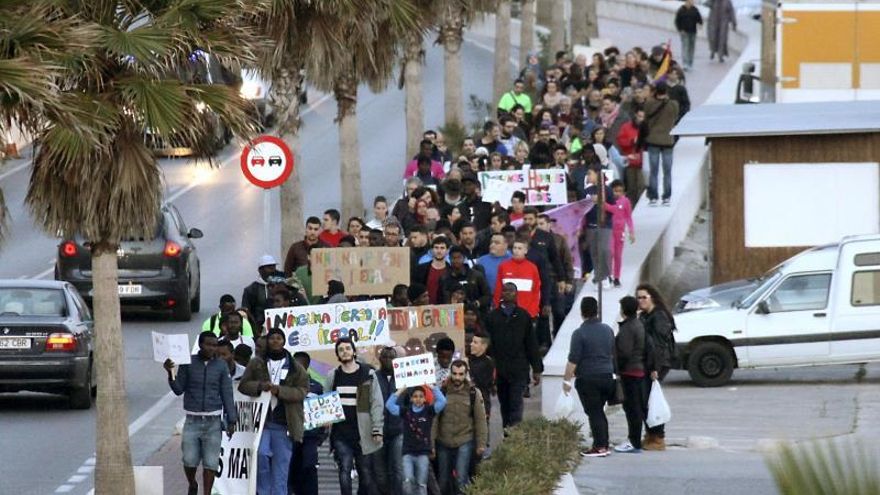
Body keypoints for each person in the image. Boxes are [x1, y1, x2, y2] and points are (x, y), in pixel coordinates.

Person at [164, 331, 238, 495]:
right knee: (189, 460)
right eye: (208, 344)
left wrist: (231, 419)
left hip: (213, 421)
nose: (212, 348)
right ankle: (192, 483)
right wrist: (170, 373)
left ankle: (207, 493)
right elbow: (178, 389)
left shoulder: (221, 365)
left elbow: (227, 393)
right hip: (192, 420)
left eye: (214, 345)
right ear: (200, 345)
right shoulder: (188, 363)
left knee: (211, 463)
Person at [238, 327, 309, 495]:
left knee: (281, 465)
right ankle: (263, 491)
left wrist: (280, 391)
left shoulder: (295, 367)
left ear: (284, 342)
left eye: (279, 338)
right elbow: (243, 385)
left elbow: (302, 391)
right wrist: (259, 386)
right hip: (262, 422)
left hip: (284, 423)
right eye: (272, 338)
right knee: (260, 455)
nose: (275, 341)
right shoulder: (257, 362)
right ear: (267, 341)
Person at [327, 338, 385, 495]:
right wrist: (325, 421)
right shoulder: (333, 375)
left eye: (347, 348)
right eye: (341, 349)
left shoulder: (368, 374)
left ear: (354, 351)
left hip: (363, 432)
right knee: (344, 470)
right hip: (341, 432)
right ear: (337, 354)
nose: (344, 351)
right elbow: (326, 402)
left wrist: (377, 429)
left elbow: (376, 403)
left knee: (365, 473)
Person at [562, 297, 615, 458]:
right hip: (607, 376)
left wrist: (566, 380)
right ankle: (603, 442)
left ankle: (600, 446)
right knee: (599, 411)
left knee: (594, 412)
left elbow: (573, 360)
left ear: (582, 312)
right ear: (597, 310)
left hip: (588, 378)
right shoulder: (607, 330)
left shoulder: (579, 333)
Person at [485, 283, 543, 430]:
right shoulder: (492, 317)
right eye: (505, 290)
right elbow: (487, 345)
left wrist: (536, 368)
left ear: (516, 294)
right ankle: (507, 433)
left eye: (511, 291)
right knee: (504, 405)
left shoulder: (523, 316)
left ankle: (515, 434)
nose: (508, 293)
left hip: (519, 369)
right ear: (501, 293)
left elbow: (531, 344)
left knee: (516, 404)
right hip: (500, 369)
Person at [434, 360, 488, 494]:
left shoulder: (474, 393)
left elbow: (480, 420)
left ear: (466, 374)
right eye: (454, 374)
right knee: (443, 481)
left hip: (464, 440)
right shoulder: (442, 392)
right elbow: (434, 420)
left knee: (461, 479)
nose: (457, 377)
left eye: (461, 374)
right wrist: (431, 445)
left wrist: (481, 444)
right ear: (450, 373)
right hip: (443, 441)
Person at [385, 385, 447, 495]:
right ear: (411, 398)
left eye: (421, 396)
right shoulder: (405, 411)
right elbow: (389, 405)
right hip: (408, 453)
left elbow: (442, 401)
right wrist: (401, 390)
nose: (418, 399)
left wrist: (432, 387)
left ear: (424, 398)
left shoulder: (429, 411)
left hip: (423, 453)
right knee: (408, 482)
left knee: (421, 485)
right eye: (415, 396)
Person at [636, 283, 677, 451]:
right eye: (638, 298)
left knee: (652, 400)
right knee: (646, 399)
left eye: (644, 297)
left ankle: (658, 437)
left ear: (652, 297)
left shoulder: (658, 316)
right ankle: (651, 434)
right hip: (648, 363)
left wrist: (655, 368)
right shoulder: (645, 316)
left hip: (657, 363)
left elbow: (659, 346)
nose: (640, 301)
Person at [289, 351, 328, 495]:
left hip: (310, 436)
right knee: (291, 466)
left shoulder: (317, 387)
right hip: (291, 434)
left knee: (309, 465)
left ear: (306, 366)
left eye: (299, 365)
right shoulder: (286, 386)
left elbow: (324, 414)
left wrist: (320, 436)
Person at [614, 296, 648, 453]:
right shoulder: (638, 324)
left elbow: (624, 351)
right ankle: (634, 439)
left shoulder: (628, 327)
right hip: (637, 370)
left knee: (632, 408)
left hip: (629, 371)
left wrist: (617, 367)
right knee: (635, 407)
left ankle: (633, 441)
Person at [374, 347, 405, 495]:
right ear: (379, 360)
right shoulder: (373, 377)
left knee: (398, 470)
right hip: (378, 430)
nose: (388, 360)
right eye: (385, 357)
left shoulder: (403, 379)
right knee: (379, 473)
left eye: (391, 358)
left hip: (398, 429)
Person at [493, 237, 542, 319]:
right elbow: (498, 290)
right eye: (514, 248)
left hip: (527, 313)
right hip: (507, 312)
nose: (516, 250)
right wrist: (498, 308)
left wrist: (532, 311)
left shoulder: (532, 268)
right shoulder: (503, 266)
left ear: (525, 251)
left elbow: (536, 291)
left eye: (519, 248)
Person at [604, 180, 635, 287]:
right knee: (610, 252)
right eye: (615, 191)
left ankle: (617, 277)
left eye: (620, 191)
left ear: (623, 192)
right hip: (609, 230)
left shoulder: (625, 201)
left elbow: (628, 217)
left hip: (620, 232)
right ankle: (608, 275)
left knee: (618, 255)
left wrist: (631, 231)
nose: (617, 193)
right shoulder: (607, 201)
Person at [242, 254, 277, 329]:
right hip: (259, 329)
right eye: (269, 267)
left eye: (274, 266)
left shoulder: (281, 286)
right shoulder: (251, 290)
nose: (273, 270)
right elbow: (246, 311)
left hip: (279, 326)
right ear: (260, 270)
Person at [412, 237, 451, 305]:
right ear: (432, 250)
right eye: (436, 247)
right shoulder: (420, 269)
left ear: (447, 250)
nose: (439, 251)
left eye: (442, 248)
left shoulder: (451, 271)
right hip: (424, 308)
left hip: (444, 308)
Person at [675, 0, 703, 71]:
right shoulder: (681, 10)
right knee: (685, 47)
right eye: (690, 1)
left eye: (692, 1)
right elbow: (677, 21)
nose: (691, 2)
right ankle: (685, 63)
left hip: (693, 32)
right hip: (684, 32)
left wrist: (700, 24)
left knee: (691, 48)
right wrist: (680, 29)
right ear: (686, 2)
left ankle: (690, 63)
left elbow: (699, 20)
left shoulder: (695, 10)